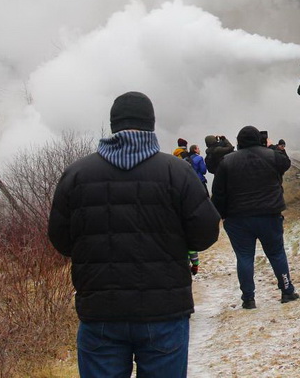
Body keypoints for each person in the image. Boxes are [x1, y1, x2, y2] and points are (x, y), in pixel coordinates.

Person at [48, 92, 220, 378]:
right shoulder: (178, 172)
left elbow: (61, 240)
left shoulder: (76, 175)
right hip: (164, 311)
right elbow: (205, 234)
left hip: (100, 311)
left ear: (113, 124)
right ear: (151, 124)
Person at [211, 125, 299, 309]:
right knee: (276, 253)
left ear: (238, 141)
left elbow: (218, 193)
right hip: (269, 215)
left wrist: (223, 216)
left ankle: (248, 298)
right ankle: (287, 290)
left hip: (238, 218)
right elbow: (286, 162)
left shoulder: (227, 162)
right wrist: (273, 146)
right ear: (259, 139)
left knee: (244, 257)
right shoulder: (272, 156)